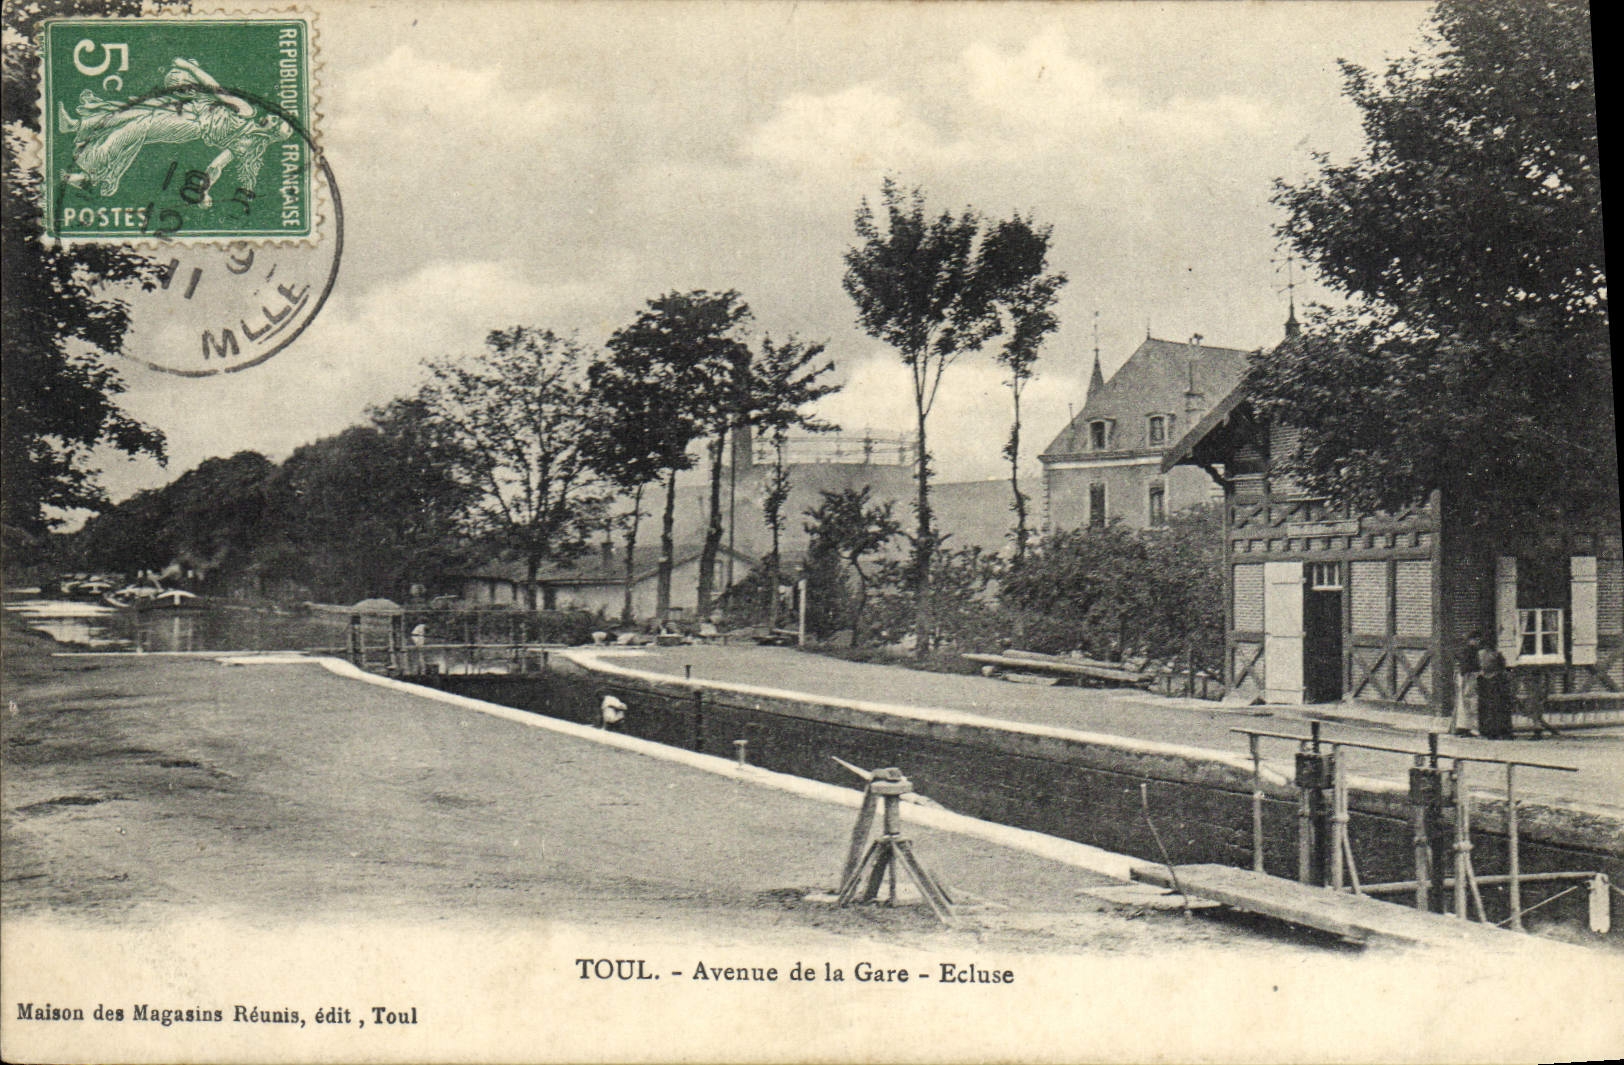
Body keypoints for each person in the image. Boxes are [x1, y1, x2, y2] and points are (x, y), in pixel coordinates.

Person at [1476, 645, 1514, 739]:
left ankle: (1490, 731)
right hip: (1495, 682)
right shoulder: (1496, 654)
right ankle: (1500, 731)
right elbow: (1503, 665)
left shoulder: (1481, 654)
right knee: (1497, 708)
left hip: (1488, 683)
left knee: (1489, 708)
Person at [1451, 632, 1483, 736]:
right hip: (1468, 677)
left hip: (1465, 676)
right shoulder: (1470, 651)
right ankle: (1471, 728)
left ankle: (1462, 726)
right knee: (1470, 701)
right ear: (1471, 640)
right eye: (1476, 639)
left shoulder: (1466, 650)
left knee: (1463, 703)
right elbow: (1469, 667)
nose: (1478, 642)